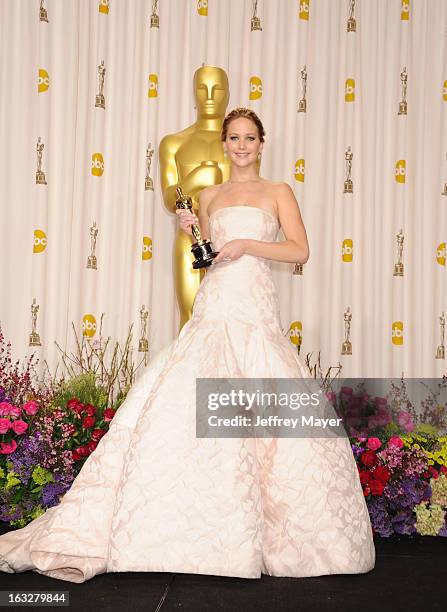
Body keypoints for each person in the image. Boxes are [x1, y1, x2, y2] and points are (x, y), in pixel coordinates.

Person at [0, 108, 375, 583]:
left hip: (254, 307)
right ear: (224, 143)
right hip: (215, 301)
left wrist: (246, 244)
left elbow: (299, 250)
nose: (242, 145)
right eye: (234, 138)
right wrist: (191, 231)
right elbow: (205, 257)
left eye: (250, 138)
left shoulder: (278, 191)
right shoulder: (208, 194)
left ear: (262, 144)